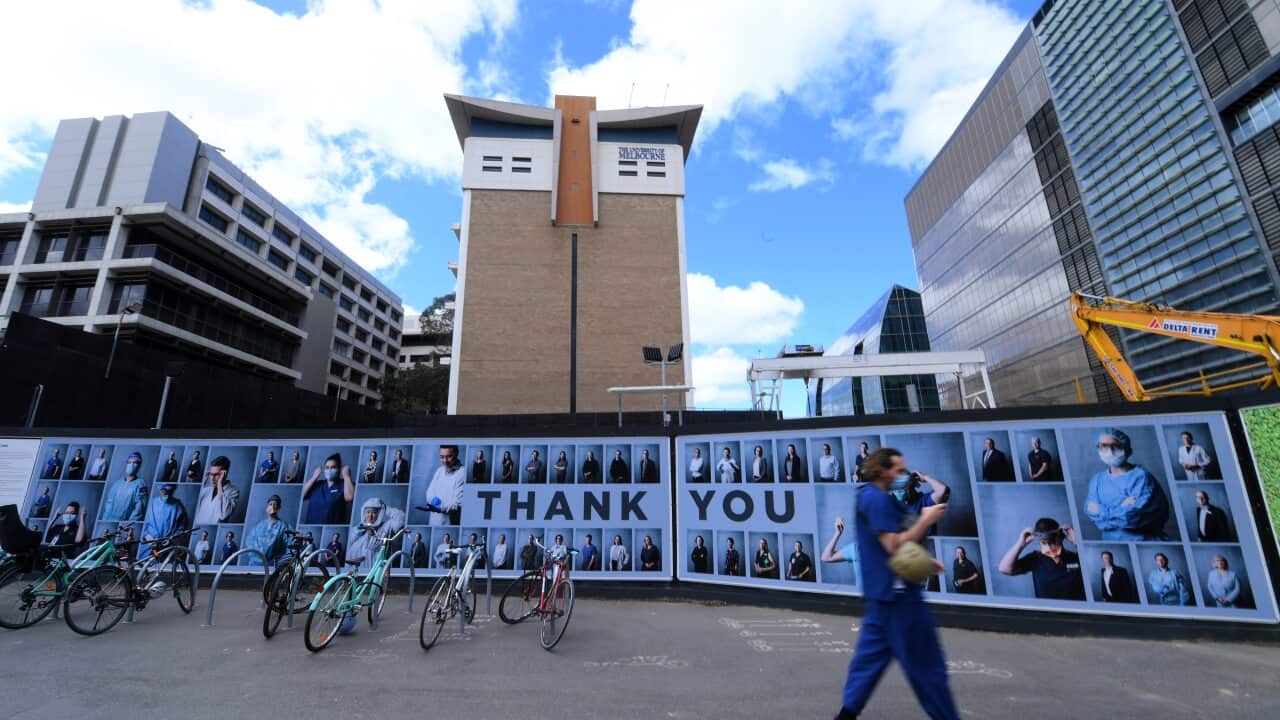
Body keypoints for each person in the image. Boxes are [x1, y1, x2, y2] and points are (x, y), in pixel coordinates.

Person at [835, 447, 957, 720]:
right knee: (928, 669)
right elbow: (892, 544)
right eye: (899, 470)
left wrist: (925, 562)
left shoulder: (874, 499)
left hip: (882, 598)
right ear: (882, 470)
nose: (904, 475)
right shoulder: (877, 500)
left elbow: (892, 544)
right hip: (900, 600)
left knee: (866, 667)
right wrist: (925, 520)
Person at [1084, 428, 1170, 541]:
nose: (1109, 451)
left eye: (1115, 445)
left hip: (1142, 541)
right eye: (1104, 446)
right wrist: (1121, 508)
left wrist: (1101, 510)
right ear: (1098, 448)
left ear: (1126, 448)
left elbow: (1133, 518)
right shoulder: (1097, 480)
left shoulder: (1141, 477)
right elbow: (1090, 513)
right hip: (1111, 543)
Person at [998, 517, 1085, 601]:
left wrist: (1077, 542)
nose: (1049, 548)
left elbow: (1094, 572)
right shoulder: (1035, 559)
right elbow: (1004, 569)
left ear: (1061, 537)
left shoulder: (1077, 558)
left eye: (1052, 542)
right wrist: (1021, 544)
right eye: (1044, 543)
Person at [346, 497, 405, 567]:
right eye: (368, 512)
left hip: (376, 568)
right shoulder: (356, 530)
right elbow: (349, 552)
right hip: (358, 568)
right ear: (363, 514)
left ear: (380, 514)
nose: (370, 516)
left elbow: (401, 518)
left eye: (374, 513)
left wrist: (385, 508)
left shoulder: (386, 526)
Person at [303, 453, 355, 525]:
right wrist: (314, 477)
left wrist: (347, 476)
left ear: (339, 469)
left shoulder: (344, 484)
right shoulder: (317, 484)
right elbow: (302, 495)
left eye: (333, 467)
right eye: (327, 467)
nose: (329, 470)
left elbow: (349, 497)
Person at [141, 483, 189, 556]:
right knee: (146, 562)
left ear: (172, 490)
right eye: (164, 490)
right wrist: (147, 536)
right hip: (149, 542)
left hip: (168, 544)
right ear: (160, 489)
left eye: (169, 491)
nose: (166, 493)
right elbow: (141, 522)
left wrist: (171, 538)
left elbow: (181, 526)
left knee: (164, 564)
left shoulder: (177, 505)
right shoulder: (151, 503)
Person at [101, 452, 148, 521]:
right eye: (129, 462)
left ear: (139, 466)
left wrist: (127, 524)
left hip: (124, 523)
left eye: (135, 463)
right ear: (126, 464)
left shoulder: (142, 485)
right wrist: (105, 519)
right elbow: (109, 503)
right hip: (110, 519)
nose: (131, 465)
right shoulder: (118, 483)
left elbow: (139, 509)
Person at [425, 444, 465, 525]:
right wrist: (433, 500)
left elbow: (458, 505)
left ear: (456, 454)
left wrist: (440, 508)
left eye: (449, 456)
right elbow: (429, 492)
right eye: (441, 457)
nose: (445, 461)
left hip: (450, 523)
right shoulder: (439, 470)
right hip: (434, 521)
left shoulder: (463, 473)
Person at [246, 494, 291, 565]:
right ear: (267, 506)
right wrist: (257, 558)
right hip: (255, 564)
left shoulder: (283, 526)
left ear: (279, 507)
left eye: (275, 504)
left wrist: (278, 561)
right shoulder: (259, 526)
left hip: (273, 565)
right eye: (270, 504)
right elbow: (250, 542)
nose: (272, 507)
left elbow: (290, 546)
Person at [194, 456, 239, 526]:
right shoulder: (206, 490)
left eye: (216, 475)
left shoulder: (233, 491)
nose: (212, 478)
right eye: (211, 474)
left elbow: (224, 515)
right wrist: (203, 482)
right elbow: (194, 505)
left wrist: (219, 484)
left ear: (224, 474)